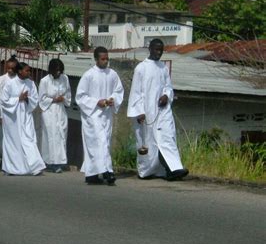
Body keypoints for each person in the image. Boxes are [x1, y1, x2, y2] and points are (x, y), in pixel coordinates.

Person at [127, 38, 189, 181]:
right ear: (150, 49)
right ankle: (147, 171)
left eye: (161, 50)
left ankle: (173, 169)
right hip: (146, 112)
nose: (158, 53)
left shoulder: (163, 67)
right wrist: (139, 111)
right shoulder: (141, 68)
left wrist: (166, 96)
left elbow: (168, 87)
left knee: (167, 137)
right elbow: (135, 92)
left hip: (162, 111)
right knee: (149, 143)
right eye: (156, 49)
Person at [76, 47, 124, 185]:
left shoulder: (112, 74)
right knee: (99, 142)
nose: (105, 61)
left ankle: (92, 174)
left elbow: (118, 91)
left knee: (103, 143)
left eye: (107, 58)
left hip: (106, 114)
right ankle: (108, 172)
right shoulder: (88, 75)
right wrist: (97, 102)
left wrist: (111, 99)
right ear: (96, 59)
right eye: (103, 59)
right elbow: (80, 96)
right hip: (92, 116)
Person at [0, 62, 46, 176]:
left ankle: (33, 167)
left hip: (26, 117)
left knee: (29, 140)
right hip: (13, 119)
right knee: (14, 143)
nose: (29, 73)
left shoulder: (31, 83)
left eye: (29, 70)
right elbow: (4, 101)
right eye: (27, 70)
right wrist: (18, 99)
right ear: (20, 71)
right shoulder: (10, 84)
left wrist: (27, 99)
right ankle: (11, 168)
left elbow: (35, 99)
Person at [39, 58, 71, 173]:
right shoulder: (45, 81)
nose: (58, 73)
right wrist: (53, 99)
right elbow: (42, 99)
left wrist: (64, 99)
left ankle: (61, 161)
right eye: (56, 70)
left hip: (61, 110)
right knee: (51, 137)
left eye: (60, 71)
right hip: (49, 111)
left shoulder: (65, 78)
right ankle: (51, 162)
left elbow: (68, 94)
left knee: (62, 135)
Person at [0, 56, 18, 164]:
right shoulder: (1, 80)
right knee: (3, 137)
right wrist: (0, 115)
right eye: (8, 68)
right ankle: (4, 159)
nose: (10, 70)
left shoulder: (19, 79)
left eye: (13, 69)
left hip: (16, 114)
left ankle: (15, 160)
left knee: (15, 137)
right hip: (4, 114)